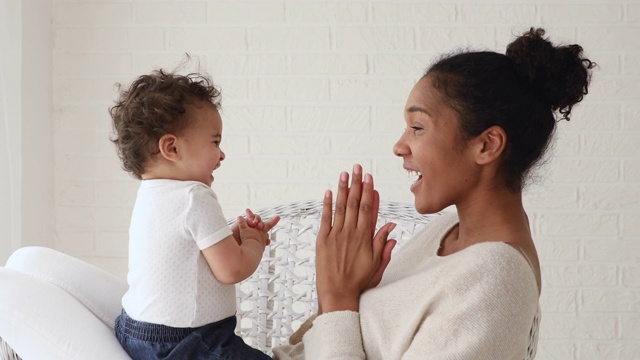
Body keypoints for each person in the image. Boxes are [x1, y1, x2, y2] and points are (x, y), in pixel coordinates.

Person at [273, 27, 595, 359]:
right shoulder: (446, 232)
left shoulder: (496, 278)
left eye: (417, 127)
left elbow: (340, 318)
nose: (399, 146)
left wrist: (337, 296)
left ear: (486, 145)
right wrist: (349, 293)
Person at [109, 68, 279, 359]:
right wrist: (254, 242)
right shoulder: (194, 196)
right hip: (188, 343)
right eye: (215, 142)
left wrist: (234, 236)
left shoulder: (151, 195)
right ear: (172, 147)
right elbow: (232, 270)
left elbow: (188, 252)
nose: (222, 154)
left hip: (135, 332)